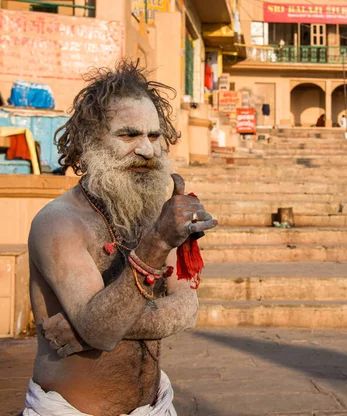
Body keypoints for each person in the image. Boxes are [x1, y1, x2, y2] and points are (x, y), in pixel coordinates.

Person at [23, 60, 218, 415]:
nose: (147, 150)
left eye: (154, 136)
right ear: (90, 140)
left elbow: (188, 308)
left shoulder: (151, 212)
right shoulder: (58, 223)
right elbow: (100, 331)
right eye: (128, 135)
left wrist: (92, 327)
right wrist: (157, 242)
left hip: (155, 404)